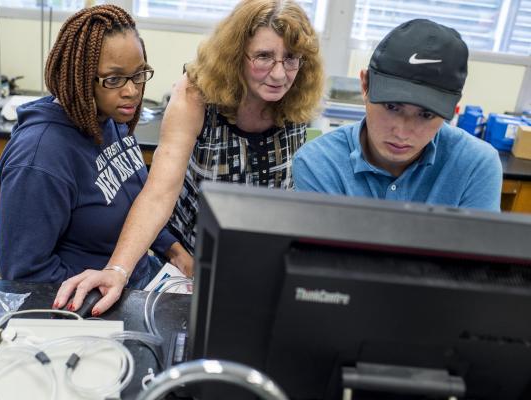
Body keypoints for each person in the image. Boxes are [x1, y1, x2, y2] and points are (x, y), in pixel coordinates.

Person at [53, 0, 324, 313]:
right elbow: (159, 193)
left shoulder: (297, 93)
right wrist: (117, 271)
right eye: (264, 56)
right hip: (194, 260)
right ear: (237, 54)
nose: (279, 74)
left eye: (291, 58)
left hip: (264, 257)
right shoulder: (197, 94)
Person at [0, 5, 191, 315]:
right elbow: (24, 276)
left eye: (139, 74)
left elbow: (135, 196)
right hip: (97, 305)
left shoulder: (108, 117)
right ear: (81, 77)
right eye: (114, 79)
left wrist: (174, 250)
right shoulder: (39, 158)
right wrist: (100, 300)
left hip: (137, 278)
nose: (132, 91)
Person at [293, 19, 502, 211]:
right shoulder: (318, 163)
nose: (402, 132)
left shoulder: (476, 165)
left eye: (426, 115)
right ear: (365, 85)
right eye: (392, 107)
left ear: (454, 106)